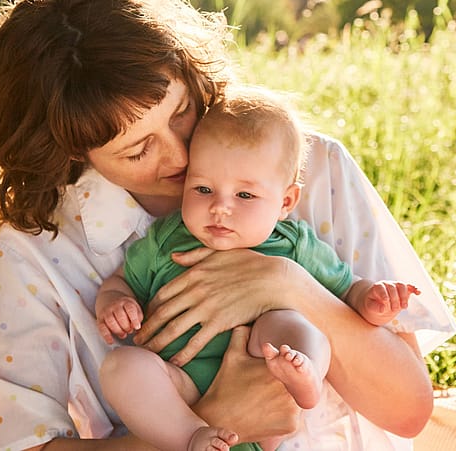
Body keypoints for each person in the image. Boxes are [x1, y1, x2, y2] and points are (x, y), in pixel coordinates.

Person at [0, 0, 456, 450]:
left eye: (182, 112)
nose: (181, 155)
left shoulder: (312, 167)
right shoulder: (23, 257)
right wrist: (217, 421)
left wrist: (283, 282)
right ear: (69, 151)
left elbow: (408, 410)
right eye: (138, 150)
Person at [95, 86, 421, 451]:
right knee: (122, 366)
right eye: (203, 189)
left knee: (290, 325)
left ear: (285, 202)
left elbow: (346, 288)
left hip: (267, 374)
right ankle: (191, 436)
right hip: (183, 387)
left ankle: (304, 379)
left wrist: (372, 301)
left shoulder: (293, 245)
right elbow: (121, 281)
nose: (220, 207)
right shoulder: (168, 239)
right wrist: (115, 302)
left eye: (245, 195)